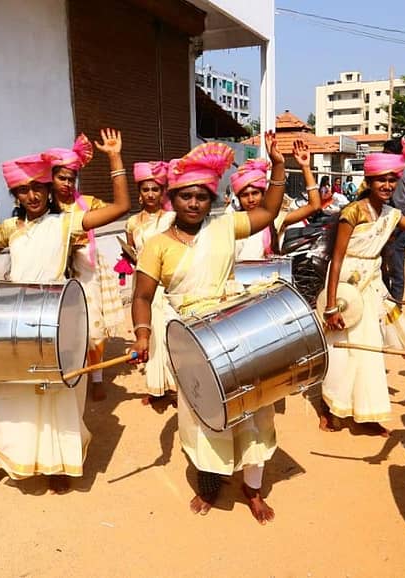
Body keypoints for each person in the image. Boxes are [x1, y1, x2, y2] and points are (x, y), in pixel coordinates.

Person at [0, 129, 129, 494]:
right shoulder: (9, 229)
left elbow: (120, 209)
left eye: (38, 188)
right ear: (14, 194)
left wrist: (114, 158)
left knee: (59, 394)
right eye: (23, 190)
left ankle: (57, 465)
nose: (31, 196)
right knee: (5, 394)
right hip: (15, 322)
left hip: (55, 321)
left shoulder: (65, 223)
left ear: (50, 191)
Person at [129, 135, 285, 524]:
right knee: (205, 414)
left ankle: (252, 487)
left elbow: (268, 211)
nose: (194, 203)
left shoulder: (223, 226)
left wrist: (279, 166)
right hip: (190, 338)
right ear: (172, 199)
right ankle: (211, 484)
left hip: (233, 328)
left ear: (210, 198)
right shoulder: (157, 244)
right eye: (186, 196)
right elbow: (143, 297)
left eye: (201, 196)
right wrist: (143, 334)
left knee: (252, 408)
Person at [320, 144, 405, 434]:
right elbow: (336, 259)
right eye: (381, 179)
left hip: (372, 284)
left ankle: (366, 411)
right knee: (339, 347)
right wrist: (331, 305)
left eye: (392, 179)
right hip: (347, 285)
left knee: (371, 348)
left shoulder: (392, 214)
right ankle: (330, 407)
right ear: (369, 181)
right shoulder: (353, 212)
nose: (387, 185)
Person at [45, 135, 129, 402]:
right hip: (53, 270)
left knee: (93, 328)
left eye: (72, 178)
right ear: (51, 178)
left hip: (85, 268)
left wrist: (114, 158)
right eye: (62, 178)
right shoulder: (42, 206)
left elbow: (119, 208)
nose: (68, 184)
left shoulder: (88, 204)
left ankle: (95, 377)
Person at [125, 160, 175, 405]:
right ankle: (156, 386)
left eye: (156, 189)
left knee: (169, 332)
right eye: (146, 189)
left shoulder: (173, 218)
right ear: (140, 194)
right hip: (145, 285)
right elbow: (131, 251)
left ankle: (176, 384)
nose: (151, 194)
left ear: (163, 192)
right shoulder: (132, 223)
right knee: (150, 333)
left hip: (168, 284)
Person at [231, 139, 321, 261]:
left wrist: (305, 167)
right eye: (245, 195)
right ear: (238, 199)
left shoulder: (274, 219)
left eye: (255, 193)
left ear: (263, 195)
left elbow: (314, 206)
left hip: (268, 278)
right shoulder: (231, 222)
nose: (251, 199)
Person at [380, 139, 405, 303]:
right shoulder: (397, 173)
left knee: (395, 264)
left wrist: (392, 232)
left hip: (400, 226)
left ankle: (396, 304)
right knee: (385, 262)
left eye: (387, 154)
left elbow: (399, 208)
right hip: (397, 224)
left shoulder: (398, 175)